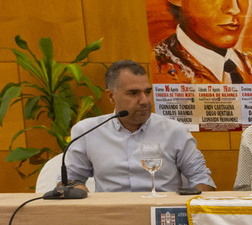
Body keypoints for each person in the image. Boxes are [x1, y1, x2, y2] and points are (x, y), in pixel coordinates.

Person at [64, 61, 215, 193]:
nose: (144, 101)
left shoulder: (175, 132)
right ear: (111, 96)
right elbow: (70, 179)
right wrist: (77, 189)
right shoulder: (87, 131)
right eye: (133, 93)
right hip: (110, 218)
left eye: (147, 92)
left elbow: (202, 179)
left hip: (165, 218)